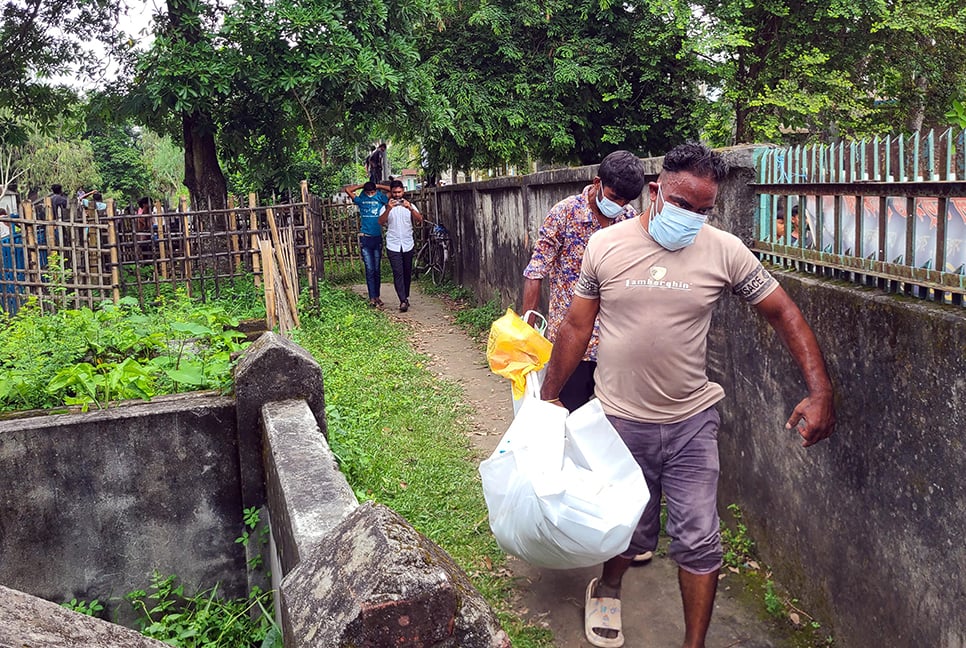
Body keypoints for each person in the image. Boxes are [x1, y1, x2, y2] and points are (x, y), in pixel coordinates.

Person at [539, 142, 836, 648]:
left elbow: (784, 312)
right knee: (628, 528)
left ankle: (693, 644)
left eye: (704, 211)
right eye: (682, 205)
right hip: (620, 418)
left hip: (691, 421)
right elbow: (573, 327)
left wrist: (819, 390)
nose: (692, 218)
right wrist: (547, 400)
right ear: (655, 191)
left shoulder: (724, 250)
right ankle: (608, 587)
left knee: (699, 538)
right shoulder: (605, 247)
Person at [521, 150, 646, 412]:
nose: (619, 205)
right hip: (570, 343)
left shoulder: (628, 219)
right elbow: (536, 270)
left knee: (609, 422)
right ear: (597, 182)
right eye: (614, 198)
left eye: (625, 201)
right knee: (563, 415)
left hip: (613, 345)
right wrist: (525, 332)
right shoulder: (564, 214)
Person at [344, 180, 391, 307]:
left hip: (377, 237)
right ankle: (372, 298)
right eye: (368, 192)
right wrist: (362, 186)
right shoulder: (360, 199)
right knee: (369, 269)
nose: (370, 194)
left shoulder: (380, 197)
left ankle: (377, 296)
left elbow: (392, 190)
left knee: (376, 269)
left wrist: (378, 186)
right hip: (365, 238)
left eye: (372, 191)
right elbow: (348, 190)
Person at [378, 179, 422, 312]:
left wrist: (409, 208)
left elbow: (420, 219)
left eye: (399, 192)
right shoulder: (385, 207)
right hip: (393, 244)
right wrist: (389, 209)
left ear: (403, 191)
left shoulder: (410, 206)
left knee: (407, 272)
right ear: (391, 193)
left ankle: (406, 297)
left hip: (408, 243)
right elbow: (381, 221)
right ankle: (402, 300)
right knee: (398, 272)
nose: (397, 195)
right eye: (394, 193)